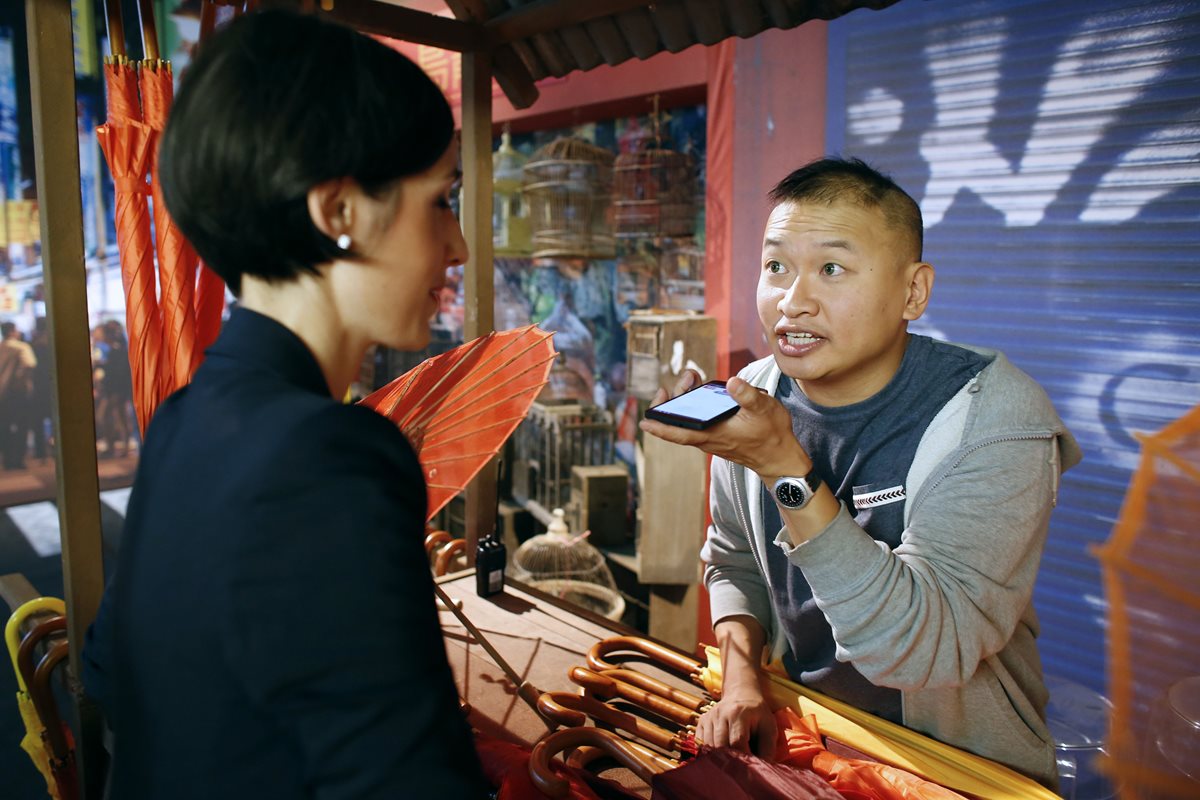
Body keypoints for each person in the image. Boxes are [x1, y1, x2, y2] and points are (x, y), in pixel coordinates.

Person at [82, 10, 489, 798]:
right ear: (338, 212)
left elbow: (111, 669)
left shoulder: (186, 418)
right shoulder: (331, 453)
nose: (459, 246)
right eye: (442, 200)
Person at [641, 157, 1081, 788]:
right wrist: (743, 682)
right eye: (776, 266)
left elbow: (922, 652)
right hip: (814, 732)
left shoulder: (997, 420)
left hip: (952, 765)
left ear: (913, 292)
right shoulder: (758, 395)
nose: (793, 300)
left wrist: (782, 467)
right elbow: (735, 560)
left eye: (831, 268)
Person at [0, 320, 37, 470]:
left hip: (2, 392)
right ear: (12, 331)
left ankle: (7, 458)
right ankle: (18, 459)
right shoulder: (22, 347)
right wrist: (20, 378)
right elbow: (30, 364)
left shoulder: (1, 347)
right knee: (21, 425)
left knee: (5, 426)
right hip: (18, 392)